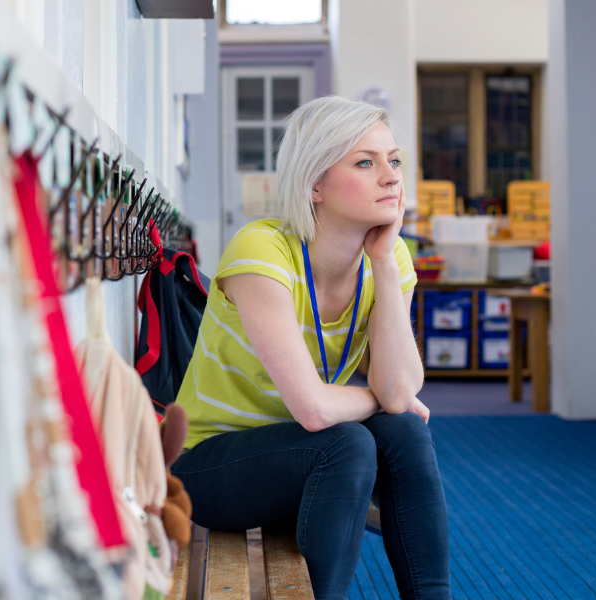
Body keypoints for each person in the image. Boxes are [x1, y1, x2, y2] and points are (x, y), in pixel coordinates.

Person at [171, 96, 450, 600]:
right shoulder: (261, 251)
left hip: (304, 466)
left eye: (394, 160)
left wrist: (385, 265)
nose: (391, 177)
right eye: (365, 162)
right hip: (209, 469)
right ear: (314, 184)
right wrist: (380, 399)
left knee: (404, 430)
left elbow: (403, 388)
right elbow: (316, 410)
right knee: (350, 440)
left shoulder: (390, 258)